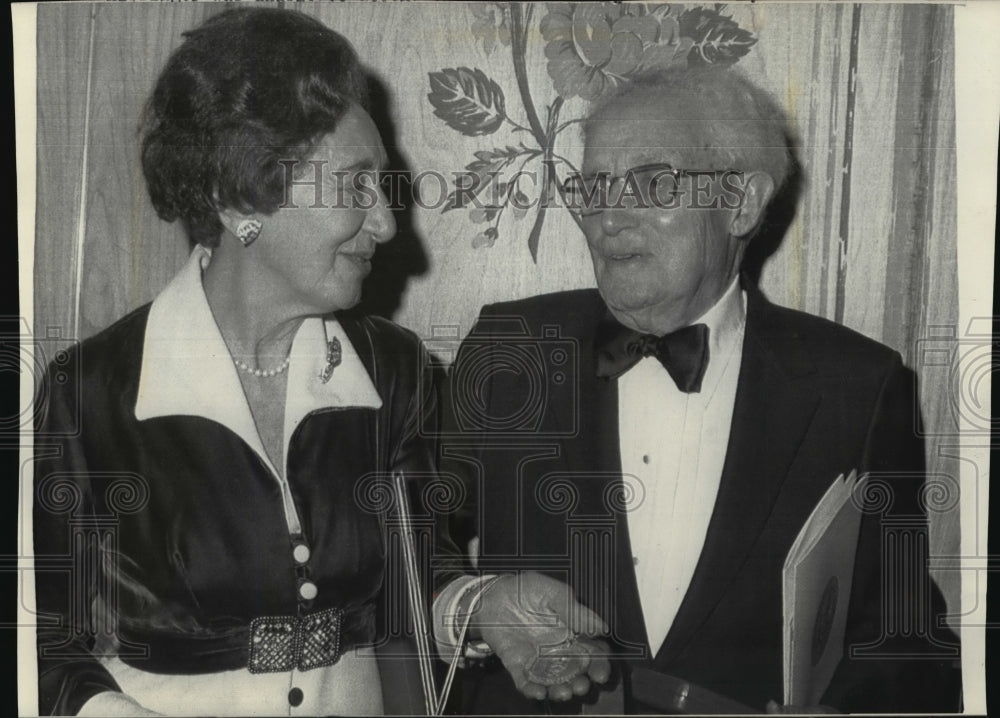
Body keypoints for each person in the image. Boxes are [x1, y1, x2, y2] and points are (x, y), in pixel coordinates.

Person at [433, 67, 961, 713]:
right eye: (594, 187)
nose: (609, 219)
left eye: (653, 182)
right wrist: (473, 605)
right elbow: (397, 548)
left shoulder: (858, 386)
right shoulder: (511, 349)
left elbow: (907, 639)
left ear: (742, 202)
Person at [32, 8, 460, 716]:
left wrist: (486, 604)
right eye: (355, 185)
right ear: (241, 199)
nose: (386, 223)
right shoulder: (90, 394)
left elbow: (421, 577)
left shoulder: (394, 370)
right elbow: (44, 641)